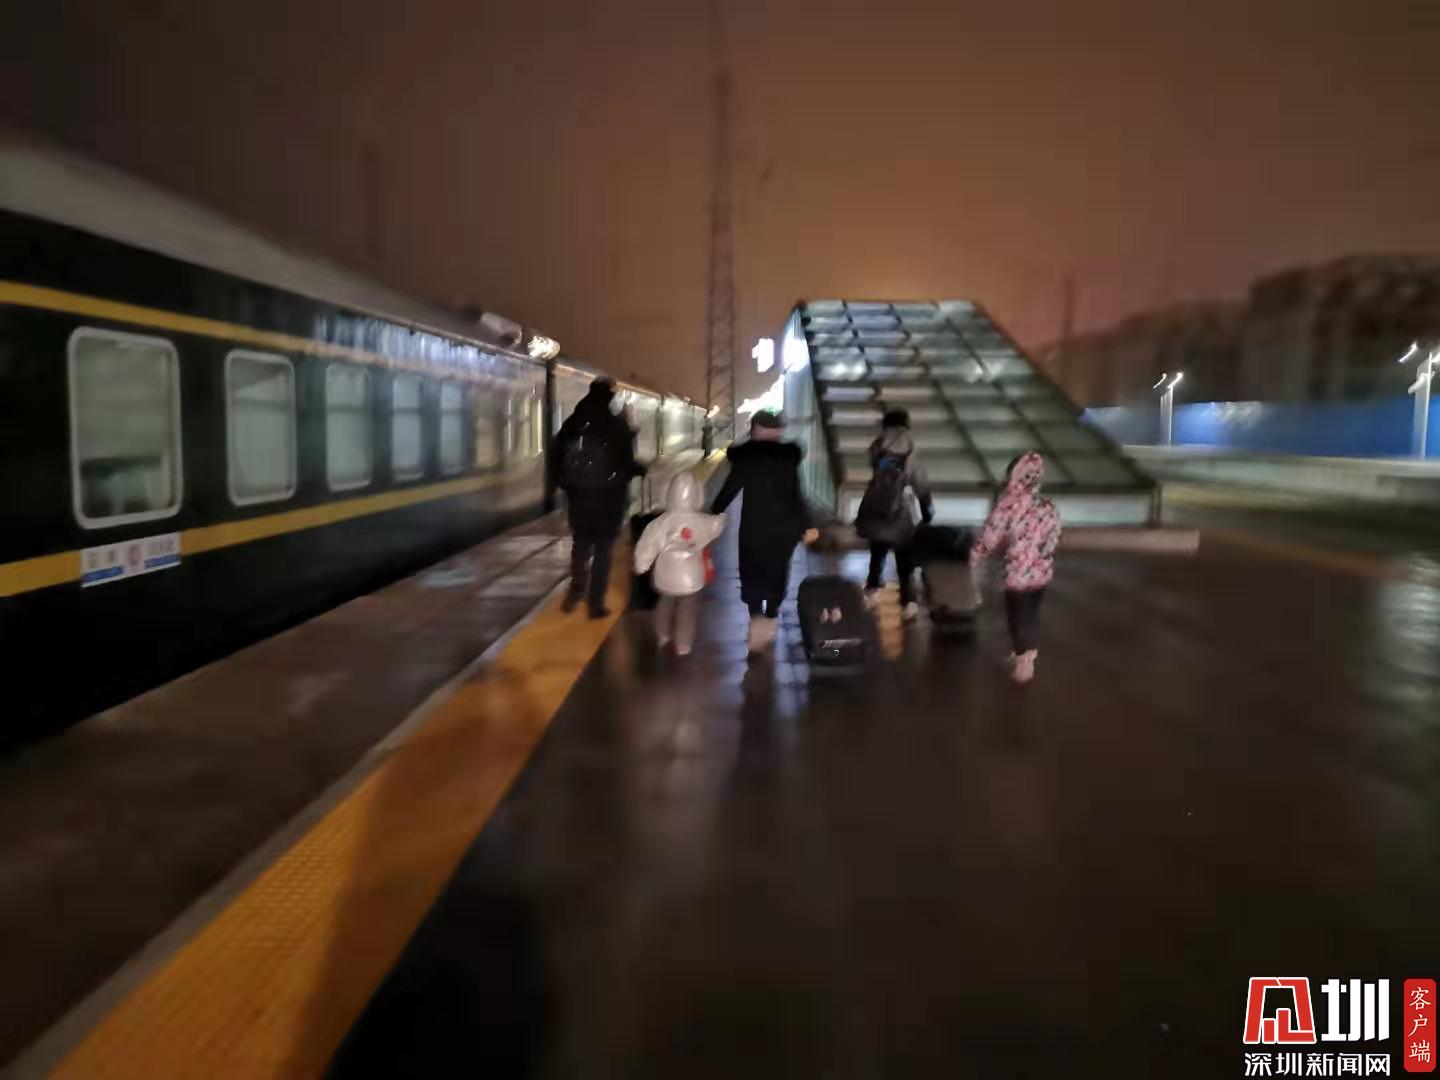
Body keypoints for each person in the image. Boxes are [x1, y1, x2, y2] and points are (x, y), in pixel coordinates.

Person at [710, 411, 819, 653]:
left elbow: (730, 489)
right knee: (778, 572)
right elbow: (797, 495)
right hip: (785, 530)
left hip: (755, 529)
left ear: (756, 429)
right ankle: (771, 616)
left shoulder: (748, 457)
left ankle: (756, 618)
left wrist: (712, 512)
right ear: (777, 432)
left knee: (751, 573)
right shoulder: (787, 458)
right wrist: (807, 525)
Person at [549, 379, 646, 618]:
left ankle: (575, 594)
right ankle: (595, 604)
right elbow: (627, 462)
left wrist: (562, 485)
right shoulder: (616, 425)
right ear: (609, 398)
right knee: (603, 551)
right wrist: (639, 469)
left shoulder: (573, 423)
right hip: (609, 500)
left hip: (579, 498)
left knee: (580, 546)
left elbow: (556, 455)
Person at [969, 451, 1061, 685]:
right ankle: (1028, 651)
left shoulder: (1008, 506)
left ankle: (1024, 662)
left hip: (1018, 575)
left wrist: (973, 558)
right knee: (1031, 614)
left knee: (1017, 618)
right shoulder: (1048, 506)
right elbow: (1053, 538)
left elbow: (989, 537)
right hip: (1042, 573)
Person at [633, 471, 725, 656]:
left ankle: (662, 634)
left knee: (664, 603)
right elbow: (716, 526)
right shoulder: (701, 521)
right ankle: (683, 644)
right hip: (692, 578)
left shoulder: (660, 523)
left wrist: (642, 564)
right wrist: (722, 518)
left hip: (665, 575)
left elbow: (648, 545)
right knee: (687, 610)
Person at [854, 409, 933, 621]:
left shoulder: (877, 446)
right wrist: (926, 507)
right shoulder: (910, 447)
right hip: (902, 509)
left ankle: (872, 591)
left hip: (877, 504)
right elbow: (919, 480)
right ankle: (908, 602)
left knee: (878, 551)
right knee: (904, 557)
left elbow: (877, 471)